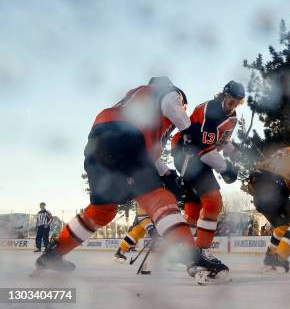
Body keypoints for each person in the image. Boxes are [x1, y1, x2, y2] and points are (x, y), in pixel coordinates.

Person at [35, 77, 228, 284]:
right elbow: (173, 110)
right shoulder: (167, 93)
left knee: (102, 210)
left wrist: (166, 173)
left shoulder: (135, 102)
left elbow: (148, 156)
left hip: (98, 146)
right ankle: (192, 256)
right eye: (183, 105)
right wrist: (189, 130)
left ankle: (53, 255)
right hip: (125, 140)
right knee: (158, 199)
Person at [171, 80, 244, 271]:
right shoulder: (209, 111)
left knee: (194, 207)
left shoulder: (232, 117)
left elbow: (220, 141)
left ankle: (182, 249)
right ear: (223, 95)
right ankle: (201, 251)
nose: (234, 105)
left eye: (238, 102)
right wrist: (226, 169)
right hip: (188, 154)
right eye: (231, 101)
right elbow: (204, 150)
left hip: (199, 155)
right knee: (213, 201)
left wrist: (232, 150)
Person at [247, 129, 290, 272]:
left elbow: (255, 175)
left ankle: (269, 259)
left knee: (283, 227)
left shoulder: (283, 152)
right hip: (274, 193)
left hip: (261, 198)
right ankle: (279, 258)